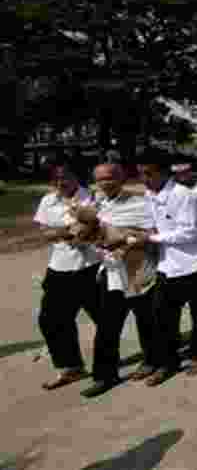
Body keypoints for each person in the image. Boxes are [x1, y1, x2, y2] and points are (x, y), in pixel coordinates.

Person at [82, 162, 158, 398]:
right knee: (107, 327)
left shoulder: (140, 203)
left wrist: (123, 238)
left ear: (122, 178)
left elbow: (152, 234)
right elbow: (85, 234)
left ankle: (152, 360)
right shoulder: (97, 205)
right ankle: (104, 376)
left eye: (110, 178)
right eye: (100, 179)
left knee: (146, 319)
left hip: (137, 270)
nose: (105, 183)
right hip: (112, 273)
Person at [137, 150, 197, 385]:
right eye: (140, 174)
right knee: (163, 317)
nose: (144, 179)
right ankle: (168, 363)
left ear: (163, 172)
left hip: (194, 265)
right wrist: (146, 234)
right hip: (167, 266)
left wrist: (153, 239)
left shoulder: (183, 195)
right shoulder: (150, 195)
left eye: (148, 174)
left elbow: (189, 233)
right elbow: (152, 224)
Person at [33, 163, 100, 390]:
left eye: (66, 176)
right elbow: (45, 232)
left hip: (91, 267)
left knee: (107, 318)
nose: (61, 182)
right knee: (51, 320)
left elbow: (91, 229)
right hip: (59, 268)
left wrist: (73, 233)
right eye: (56, 178)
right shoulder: (48, 201)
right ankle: (71, 367)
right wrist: (64, 233)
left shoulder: (91, 197)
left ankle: (155, 353)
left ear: (76, 177)